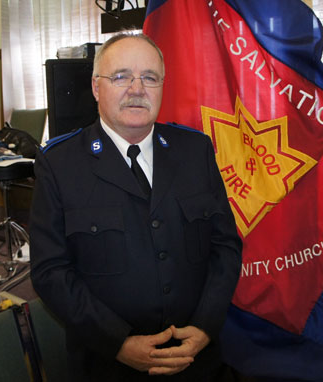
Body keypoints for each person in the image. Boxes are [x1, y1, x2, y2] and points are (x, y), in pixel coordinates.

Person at [29, 32, 242, 382]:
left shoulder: (195, 151)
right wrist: (117, 343)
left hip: (198, 360)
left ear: (162, 87)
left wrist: (205, 326)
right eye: (121, 76)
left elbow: (226, 247)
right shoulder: (59, 164)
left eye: (150, 77)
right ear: (97, 88)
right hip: (107, 364)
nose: (137, 88)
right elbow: (51, 271)